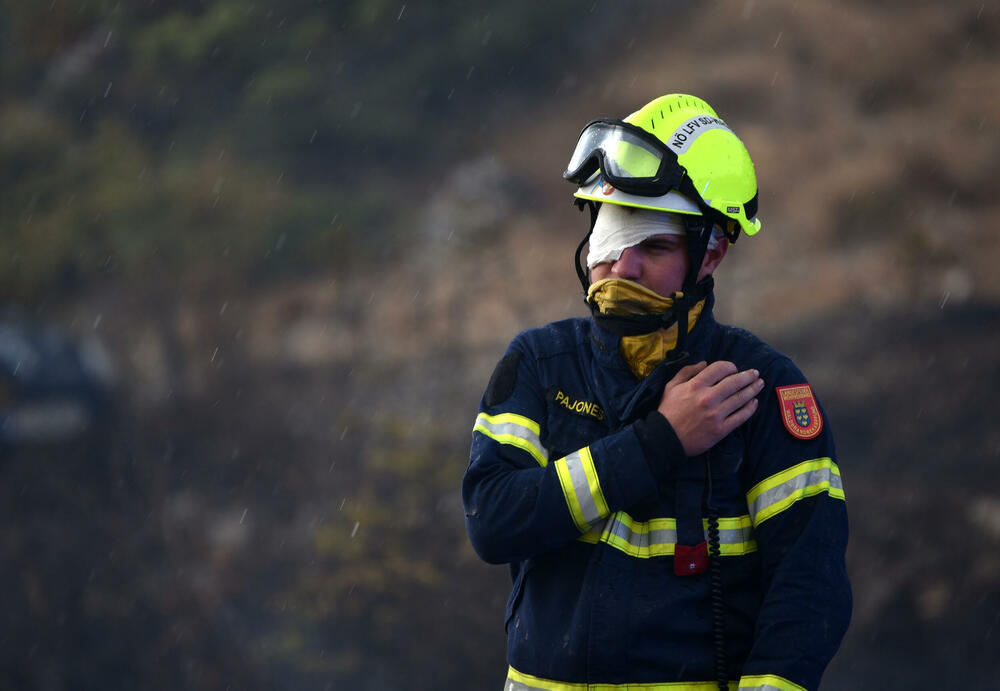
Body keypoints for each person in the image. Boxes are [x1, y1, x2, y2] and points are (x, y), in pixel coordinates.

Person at [462, 93, 851, 691]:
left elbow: (809, 591)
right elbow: (492, 521)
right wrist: (658, 443)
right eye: (612, 239)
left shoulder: (764, 390)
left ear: (711, 255)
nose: (622, 268)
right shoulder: (539, 366)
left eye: (654, 246)